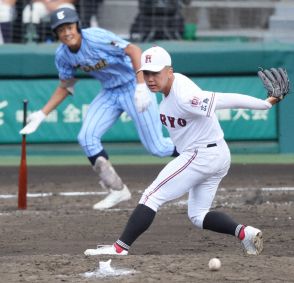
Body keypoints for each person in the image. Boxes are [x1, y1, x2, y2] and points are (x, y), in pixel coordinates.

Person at [84, 46, 289, 257]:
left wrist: (265, 104)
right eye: (146, 73)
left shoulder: (184, 96)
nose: (151, 78)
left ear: (169, 71)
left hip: (201, 155)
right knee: (198, 215)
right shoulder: (173, 86)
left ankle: (119, 248)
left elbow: (223, 99)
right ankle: (245, 233)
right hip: (216, 155)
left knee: (151, 196)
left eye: (156, 72)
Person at [19, 10, 178, 210]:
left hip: (132, 84)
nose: (67, 32)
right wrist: (42, 114)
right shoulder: (62, 55)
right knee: (86, 137)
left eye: (69, 27)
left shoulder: (95, 37)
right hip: (110, 92)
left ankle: (196, 154)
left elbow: (134, 50)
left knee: (158, 148)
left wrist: (141, 85)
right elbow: (66, 86)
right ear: (56, 34)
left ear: (77, 26)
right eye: (61, 30)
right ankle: (117, 189)